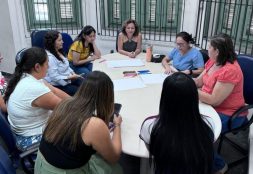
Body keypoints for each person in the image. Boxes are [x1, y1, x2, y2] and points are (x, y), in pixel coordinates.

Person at [35, 71, 123, 174]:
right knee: (116, 168)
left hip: (41, 165)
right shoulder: (94, 124)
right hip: (62, 171)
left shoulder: (65, 104)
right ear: (107, 96)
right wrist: (117, 125)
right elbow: (114, 157)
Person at [140, 72, 214, 174]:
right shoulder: (208, 123)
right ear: (194, 96)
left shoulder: (150, 126)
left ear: (165, 97)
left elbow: (153, 151)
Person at [4, 47, 69, 151]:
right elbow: (65, 107)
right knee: (77, 127)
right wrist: (80, 105)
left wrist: (73, 100)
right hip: (31, 139)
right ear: (37, 67)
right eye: (47, 63)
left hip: (27, 130)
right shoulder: (33, 88)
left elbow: (55, 91)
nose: (49, 66)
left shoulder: (26, 76)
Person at [195, 34, 247, 133]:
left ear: (217, 51)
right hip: (207, 105)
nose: (207, 49)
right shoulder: (213, 61)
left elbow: (214, 100)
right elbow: (198, 82)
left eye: (209, 47)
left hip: (228, 113)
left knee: (198, 132)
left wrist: (190, 89)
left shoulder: (230, 70)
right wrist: (181, 81)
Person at [44, 30, 83, 96]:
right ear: (52, 42)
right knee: (80, 92)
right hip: (58, 84)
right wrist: (69, 77)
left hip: (68, 79)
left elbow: (66, 66)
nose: (63, 42)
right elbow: (54, 77)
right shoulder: (50, 57)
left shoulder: (59, 51)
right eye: (59, 40)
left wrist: (73, 73)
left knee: (85, 85)